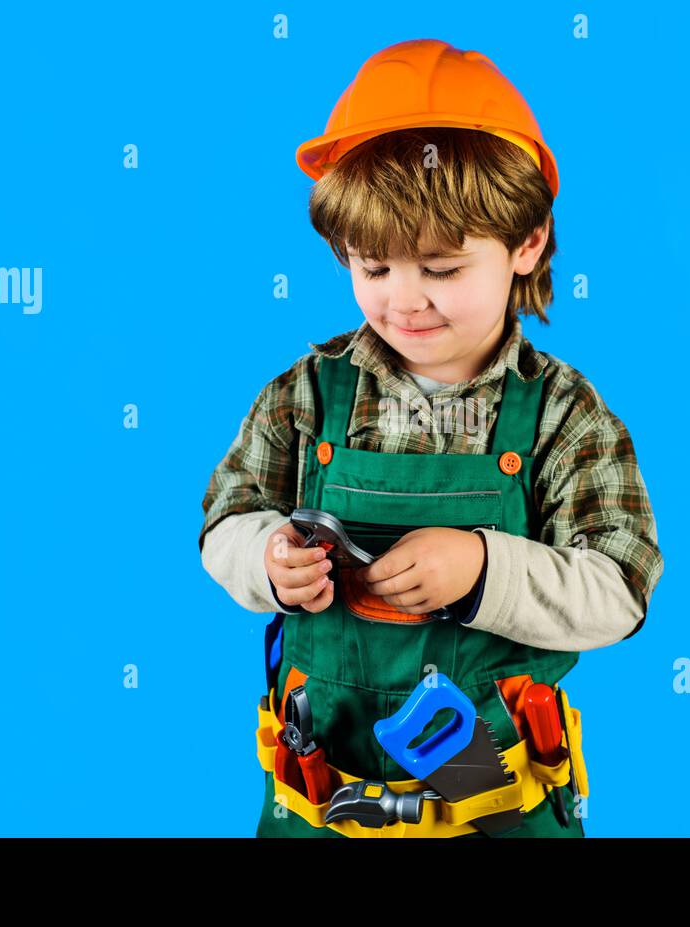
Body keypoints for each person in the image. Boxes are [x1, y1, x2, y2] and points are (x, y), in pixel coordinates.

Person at [199, 38, 664, 838]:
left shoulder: (561, 415)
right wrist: (268, 560)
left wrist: (486, 567)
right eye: (373, 268)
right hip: (321, 808)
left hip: (498, 809)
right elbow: (225, 523)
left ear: (527, 244)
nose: (404, 300)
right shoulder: (304, 396)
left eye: (441, 269)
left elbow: (620, 591)